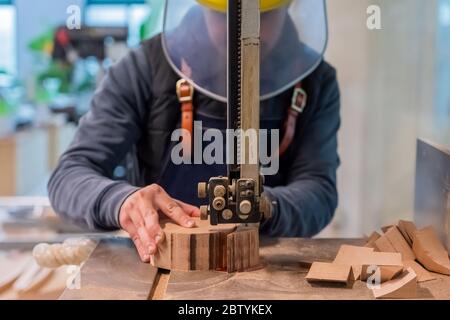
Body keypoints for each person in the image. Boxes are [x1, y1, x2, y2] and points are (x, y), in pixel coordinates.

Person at [48, 0, 341, 262]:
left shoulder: (314, 81)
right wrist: (121, 201)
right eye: (225, 16)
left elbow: (319, 189)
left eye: (263, 17)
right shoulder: (145, 69)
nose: (243, 35)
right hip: (162, 261)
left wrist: (264, 206)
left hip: (260, 260)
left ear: (288, 6)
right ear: (203, 7)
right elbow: (69, 176)